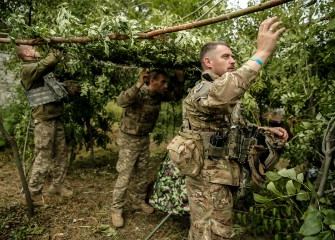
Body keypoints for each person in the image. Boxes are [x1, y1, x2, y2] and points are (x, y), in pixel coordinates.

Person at [182, 17, 289, 239]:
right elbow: (225, 92)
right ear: (209, 62)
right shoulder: (204, 90)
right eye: (226, 56)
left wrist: (267, 131)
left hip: (221, 174)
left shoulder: (222, 95)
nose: (233, 60)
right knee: (213, 232)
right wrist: (262, 53)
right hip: (207, 178)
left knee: (209, 229)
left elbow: (236, 126)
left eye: (233, 56)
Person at [111, 69, 184, 228]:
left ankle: (138, 201)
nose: (166, 85)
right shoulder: (138, 92)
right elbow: (121, 101)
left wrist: (179, 80)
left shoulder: (158, 95)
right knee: (125, 174)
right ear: (152, 81)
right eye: (163, 82)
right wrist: (139, 83)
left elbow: (176, 96)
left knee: (142, 172)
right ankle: (116, 210)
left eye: (166, 82)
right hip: (129, 138)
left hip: (143, 138)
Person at [16, 45, 73, 203]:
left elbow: (50, 88)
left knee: (61, 153)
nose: (35, 48)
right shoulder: (27, 70)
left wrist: (66, 88)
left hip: (55, 117)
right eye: (32, 47)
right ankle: (34, 192)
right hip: (43, 120)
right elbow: (46, 64)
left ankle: (57, 184)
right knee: (43, 156)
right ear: (26, 53)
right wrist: (56, 50)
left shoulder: (39, 70)